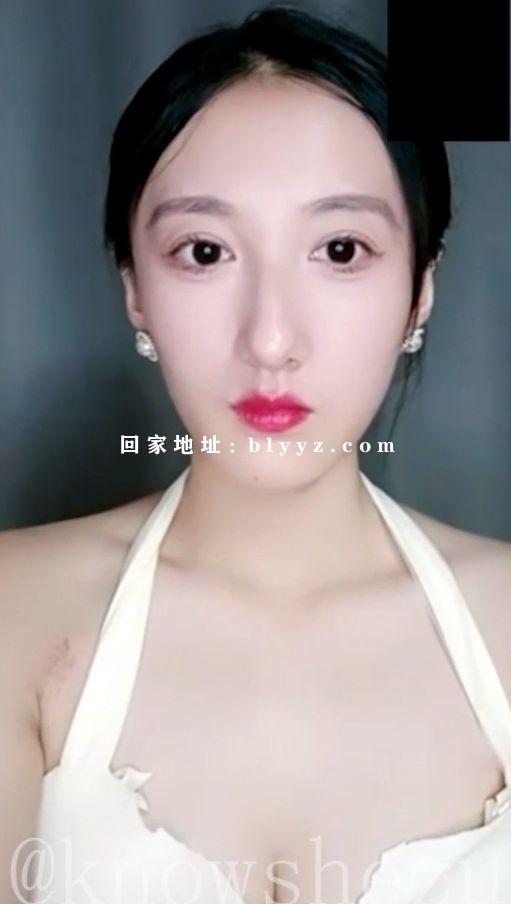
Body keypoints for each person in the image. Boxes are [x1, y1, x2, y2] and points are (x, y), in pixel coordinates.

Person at [2, 5, 511, 904]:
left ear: (419, 290)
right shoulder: (17, 612)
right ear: (134, 289)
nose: (270, 339)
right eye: (205, 251)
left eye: (340, 249)